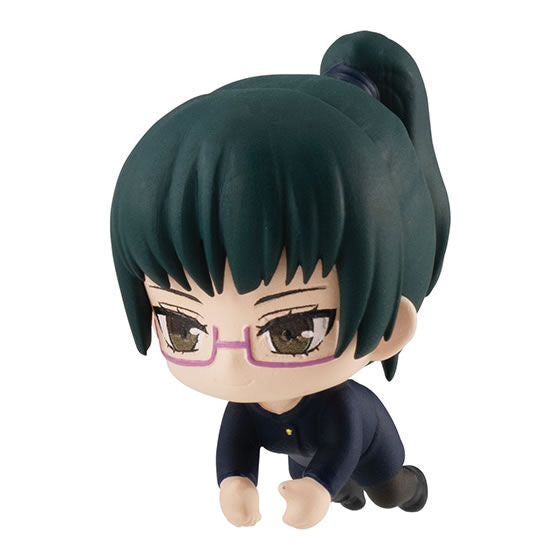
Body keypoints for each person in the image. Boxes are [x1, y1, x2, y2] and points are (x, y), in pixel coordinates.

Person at [110, 30, 450, 528]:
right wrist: (235, 482)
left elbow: (343, 442)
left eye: (292, 331)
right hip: (304, 463)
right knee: (325, 483)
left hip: (368, 448)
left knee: (384, 486)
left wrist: (319, 487)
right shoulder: (247, 405)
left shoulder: (345, 410)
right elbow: (236, 447)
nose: (230, 364)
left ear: (390, 329)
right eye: (184, 328)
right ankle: (342, 492)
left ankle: (402, 487)